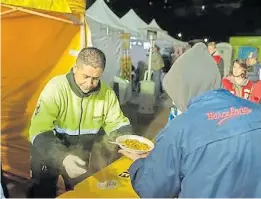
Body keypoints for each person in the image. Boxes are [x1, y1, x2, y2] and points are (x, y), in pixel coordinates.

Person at [119, 43, 261, 197]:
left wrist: (138, 166)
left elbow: (151, 188)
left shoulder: (179, 129)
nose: (174, 102)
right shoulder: (256, 112)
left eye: (175, 94)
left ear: (185, 88)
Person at [28, 47, 133, 198]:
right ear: (75, 67)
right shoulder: (56, 88)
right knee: (43, 192)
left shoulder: (107, 93)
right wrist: (62, 157)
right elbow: (38, 131)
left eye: (96, 78)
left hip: (80, 152)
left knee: (80, 191)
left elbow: (118, 124)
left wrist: (129, 140)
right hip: (48, 151)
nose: (89, 83)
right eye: (85, 76)